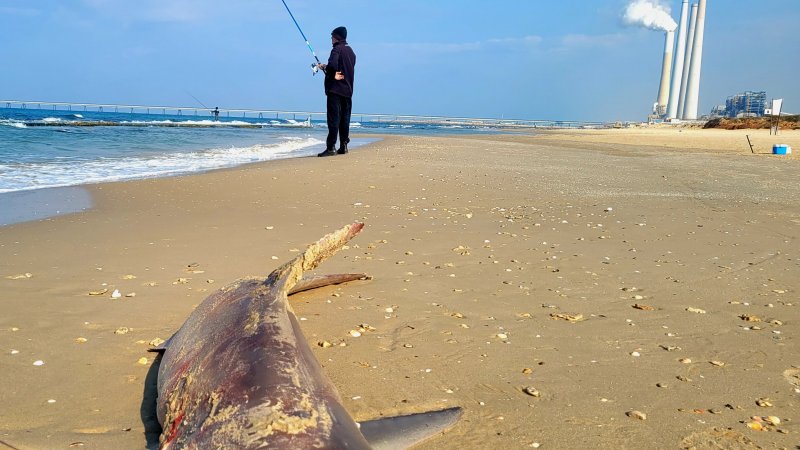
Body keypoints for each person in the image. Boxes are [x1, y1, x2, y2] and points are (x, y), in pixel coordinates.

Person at [316, 26, 356, 157]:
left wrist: (326, 69)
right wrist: (330, 70)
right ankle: (343, 146)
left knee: (334, 119)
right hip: (348, 91)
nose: (331, 39)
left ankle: (331, 147)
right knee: (345, 119)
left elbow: (333, 66)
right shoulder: (351, 52)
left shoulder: (337, 49)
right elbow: (343, 69)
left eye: (332, 36)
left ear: (337, 37)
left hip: (336, 91)